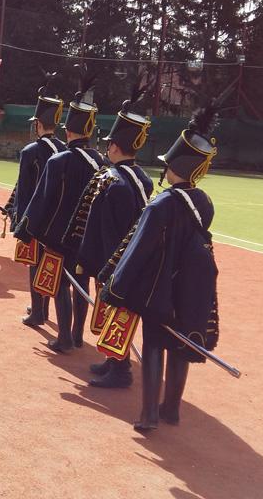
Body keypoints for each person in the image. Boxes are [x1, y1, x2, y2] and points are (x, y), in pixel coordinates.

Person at [99, 94, 225, 432]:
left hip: (158, 289)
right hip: (188, 288)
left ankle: (149, 415)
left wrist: (115, 287)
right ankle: (170, 409)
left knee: (154, 343)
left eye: (168, 166)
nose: (164, 170)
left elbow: (138, 250)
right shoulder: (203, 201)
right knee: (180, 346)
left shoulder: (161, 205)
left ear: (176, 169)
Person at [18, 66, 105, 353]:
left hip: (58, 235)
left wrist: (27, 229)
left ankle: (65, 337)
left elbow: (42, 200)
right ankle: (78, 335)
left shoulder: (60, 161)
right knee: (81, 283)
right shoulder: (100, 162)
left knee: (59, 285)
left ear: (68, 130)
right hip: (87, 236)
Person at [74, 85, 153, 388]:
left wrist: (98, 263)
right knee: (111, 315)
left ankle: (121, 370)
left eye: (110, 145)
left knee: (116, 314)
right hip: (122, 258)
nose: (107, 149)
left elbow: (107, 229)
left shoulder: (116, 182)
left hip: (114, 260)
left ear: (116, 148)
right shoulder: (139, 177)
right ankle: (112, 361)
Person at [13, 80, 66, 327]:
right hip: (57, 218)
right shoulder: (64, 149)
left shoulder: (30, 151)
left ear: (38, 124)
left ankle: (38, 312)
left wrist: (19, 221)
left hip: (34, 217)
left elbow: (24, 191)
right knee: (50, 264)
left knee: (35, 264)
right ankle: (43, 308)